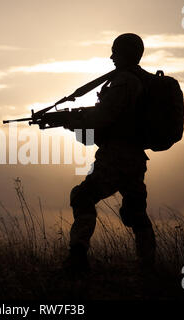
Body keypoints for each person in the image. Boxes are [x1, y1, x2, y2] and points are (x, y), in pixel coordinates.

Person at [63, 33, 156, 273]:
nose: (111, 56)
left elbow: (104, 117)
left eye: (116, 51)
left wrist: (78, 122)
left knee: (83, 197)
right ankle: (148, 265)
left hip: (117, 156)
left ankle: (77, 259)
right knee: (136, 210)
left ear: (126, 53)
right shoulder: (142, 80)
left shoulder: (124, 81)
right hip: (135, 157)